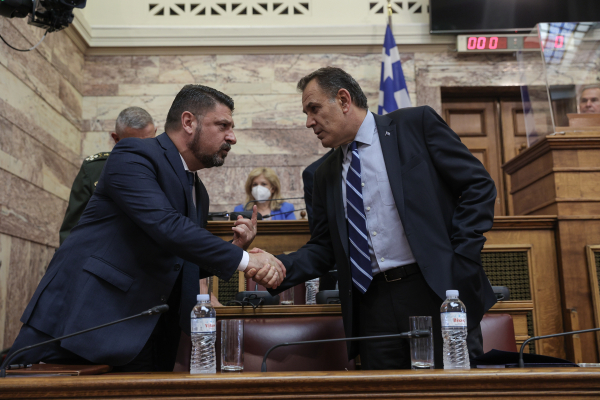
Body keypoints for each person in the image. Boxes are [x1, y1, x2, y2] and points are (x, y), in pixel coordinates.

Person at [3, 85, 285, 372]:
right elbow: (166, 225)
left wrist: (235, 248)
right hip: (84, 322)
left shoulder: (197, 189)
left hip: (146, 334)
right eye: (223, 125)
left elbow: (180, 262)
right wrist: (246, 261)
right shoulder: (134, 154)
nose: (232, 137)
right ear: (189, 122)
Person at [264, 67, 497, 370]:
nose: (309, 122)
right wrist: (277, 267)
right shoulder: (320, 175)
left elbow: (478, 186)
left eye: (314, 109)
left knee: (453, 389)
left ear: (343, 100)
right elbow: (323, 247)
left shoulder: (415, 125)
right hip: (371, 306)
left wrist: (462, 258)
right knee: (384, 390)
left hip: (435, 289)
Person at [59, 107, 157, 245]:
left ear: (155, 133)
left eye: (149, 142)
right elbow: (72, 229)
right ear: (116, 139)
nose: (143, 150)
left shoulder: (165, 170)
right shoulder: (95, 169)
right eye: (134, 145)